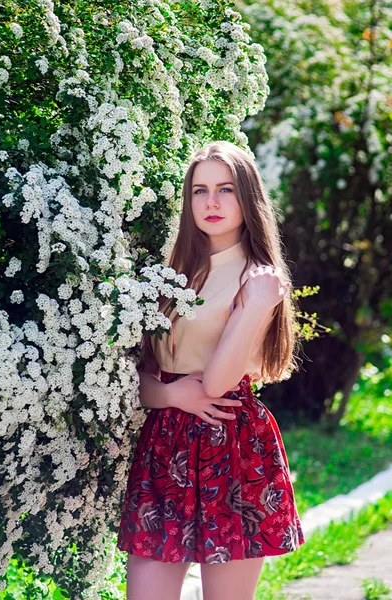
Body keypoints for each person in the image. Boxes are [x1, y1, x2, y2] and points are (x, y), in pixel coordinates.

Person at [117, 140, 306, 600]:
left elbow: (220, 382)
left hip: (232, 441)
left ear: (248, 198)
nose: (213, 203)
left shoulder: (259, 278)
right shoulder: (170, 270)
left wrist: (256, 306)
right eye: (200, 191)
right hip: (166, 442)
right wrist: (172, 395)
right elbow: (136, 372)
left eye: (226, 189)